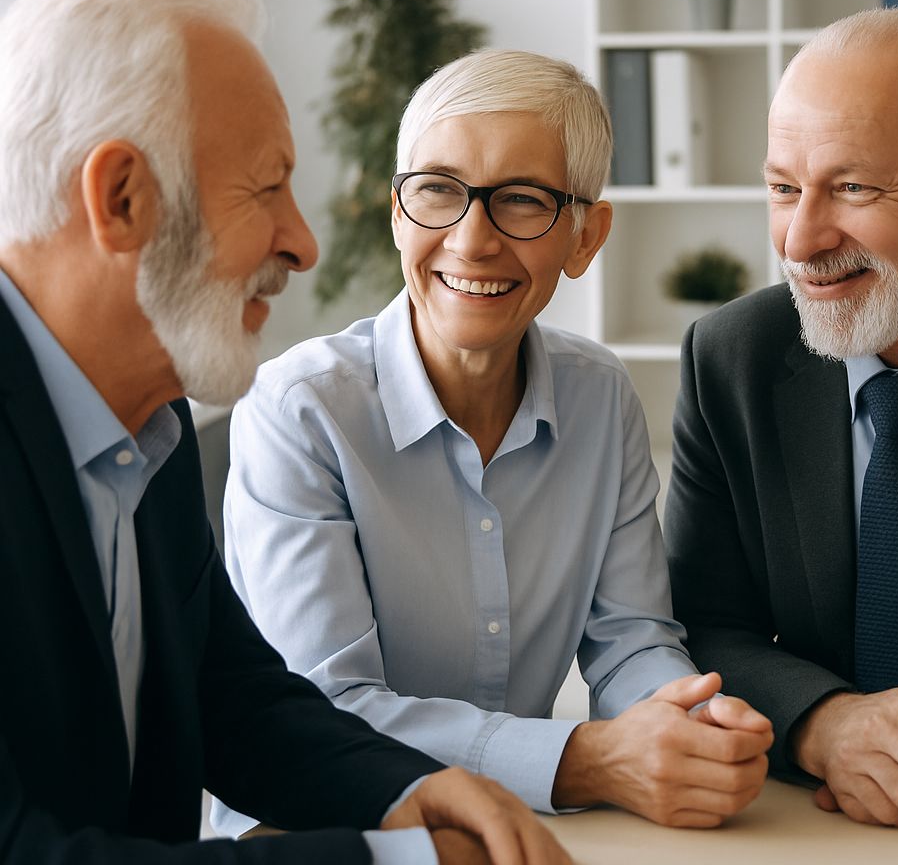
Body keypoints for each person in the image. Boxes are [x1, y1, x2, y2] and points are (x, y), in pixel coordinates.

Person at [0, 0, 572, 865]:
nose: (302, 242)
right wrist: (402, 863)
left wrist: (408, 789)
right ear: (121, 199)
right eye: (266, 187)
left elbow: (228, 694)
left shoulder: (148, 417)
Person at [212, 49, 774, 837]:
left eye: (521, 200)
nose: (472, 241)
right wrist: (593, 759)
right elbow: (326, 713)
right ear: (399, 213)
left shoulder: (600, 396)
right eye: (438, 191)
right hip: (309, 837)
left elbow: (630, 641)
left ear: (586, 235)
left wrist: (692, 722)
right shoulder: (301, 409)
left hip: (509, 832)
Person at [663, 7, 898, 827]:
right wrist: (826, 723)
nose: (800, 239)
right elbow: (700, 627)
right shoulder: (731, 359)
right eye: (784, 188)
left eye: (854, 188)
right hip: (816, 823)